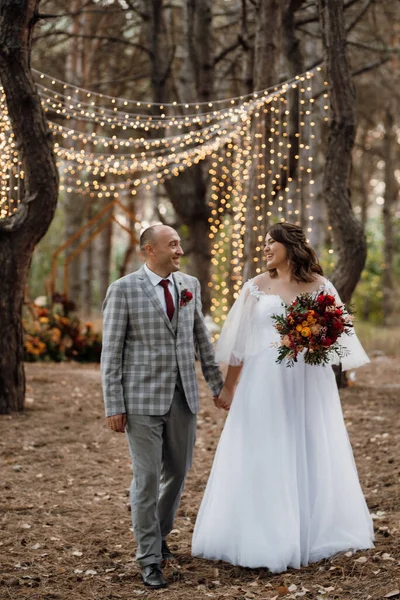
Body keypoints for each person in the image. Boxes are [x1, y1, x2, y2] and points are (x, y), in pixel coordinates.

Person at [192, 222, 374, 572]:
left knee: (310, 444)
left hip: (308, 380)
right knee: (265, 447)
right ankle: (262, 531)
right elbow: (240, 345)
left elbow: (339, 336)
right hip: (264, 382)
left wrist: (316, 337)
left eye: (270, 242)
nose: (264, 248)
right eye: (262, 243)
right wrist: (229, 387)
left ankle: (315, 528)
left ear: (290, 246)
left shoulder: (320, 286)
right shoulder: (255, 288)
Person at [101, 224, 224, 589]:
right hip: (140, 400)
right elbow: (111, 353)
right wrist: (113, 404)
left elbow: (202, 340)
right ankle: (150, 558)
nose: (180, 250)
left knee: (180, 471)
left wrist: (219, 387)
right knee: (147, 478)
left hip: (183, 396)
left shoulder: (190, 286)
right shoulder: (122, 290)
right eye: (172, 245)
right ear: (148, 250)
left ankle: (157, 532)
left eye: (180, 244)